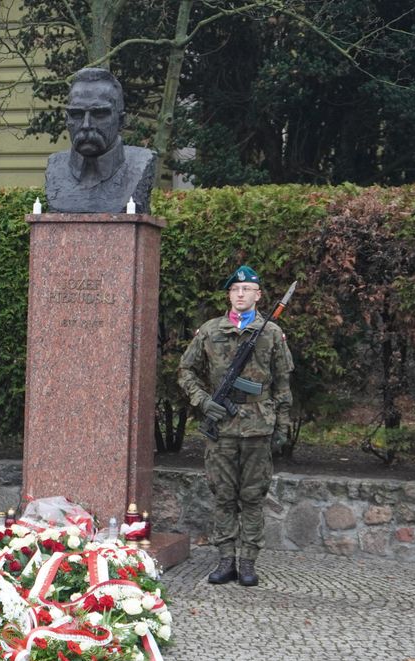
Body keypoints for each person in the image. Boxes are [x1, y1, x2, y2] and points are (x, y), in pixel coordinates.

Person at [178, 265, 294, 587]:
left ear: (258, 295)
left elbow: (283, 384)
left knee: (253, 496)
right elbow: (186, 371)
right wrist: (204, 402)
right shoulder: (210, 330)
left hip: (258, 427)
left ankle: (248, 562)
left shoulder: (271, 334)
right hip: (223, 428)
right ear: (229, 295)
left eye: (247, 290)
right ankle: (226, 559)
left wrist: (282, 426)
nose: (241, 294)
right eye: (235, 290)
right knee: (224, 496)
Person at [44, 67, 157, 214]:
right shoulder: (55, 166)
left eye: (99, 115)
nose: (86, 125)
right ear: (67, 120)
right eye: (77, 114)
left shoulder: (141, 163)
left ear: (121, 121)